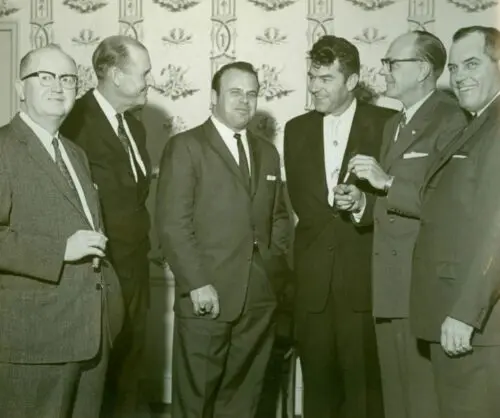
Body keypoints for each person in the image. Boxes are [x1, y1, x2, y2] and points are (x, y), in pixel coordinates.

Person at [334, 31, 468, 418]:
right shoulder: (394, 124)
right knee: (396, 400)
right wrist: (362, 202)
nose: (385, 71)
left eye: (393, 63)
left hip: (423, 288)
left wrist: (387, 182)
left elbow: (450, 206)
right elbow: (392, 203)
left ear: (423, 69)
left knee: (423, 402)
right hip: (390, 287)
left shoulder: (452, 118)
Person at [156, 61, 290, 418]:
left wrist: (274, 272)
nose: (245, 101)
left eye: (252, 93)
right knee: (196, 398)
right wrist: (198, 283)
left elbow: (278, 217)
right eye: (235, 92)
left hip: (259, 297)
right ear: (214, 97)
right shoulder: (185, 146)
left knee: (245, 397)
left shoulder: (268, 152)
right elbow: (172, 224)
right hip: (207, 294)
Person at [0, 45, 123, 418]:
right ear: (21, 88)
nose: (58, 87)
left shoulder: (74, 152)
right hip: (34, 340)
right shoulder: (3, 147)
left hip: (90, 334)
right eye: (45, 77)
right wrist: (59, 250)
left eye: (68, 79)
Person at [283, 35, 395, 418]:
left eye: (326, 78)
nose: (315, 86)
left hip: (364, 284)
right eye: (312, 76)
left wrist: (364, 205)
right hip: (312, 287)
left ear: (351, 81)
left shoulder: (387, 124)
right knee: (318, 393)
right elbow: (305, 210)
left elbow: (404, 201)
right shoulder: (294, 129)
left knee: (366, 395)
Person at [409, 26, 500, 418]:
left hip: (475, 325)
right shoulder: (475, 124)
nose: (460, 75)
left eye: (473, 64)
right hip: (453, 316)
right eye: (456, 66)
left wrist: (466, 313)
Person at [60, 35, 152, 417]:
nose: (150, 80)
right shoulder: (74, 120)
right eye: (143, 72)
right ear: (115, 74)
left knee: (131, 369)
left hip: (135, 268)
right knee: (95, 379)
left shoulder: (135, 128)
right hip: (98, 272)